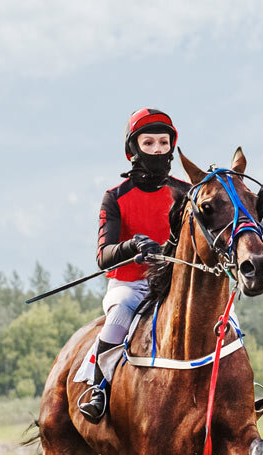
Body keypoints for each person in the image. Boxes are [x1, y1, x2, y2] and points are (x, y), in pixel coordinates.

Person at [79, 108, 189, 423]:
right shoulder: (115, 197)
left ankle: (239, 392)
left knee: (223, 317)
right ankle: (98, 388)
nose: (157, 149)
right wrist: (133, 245)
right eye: (149, 142)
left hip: (174, 285)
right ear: (133, 149)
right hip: (129, 287)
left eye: (163, 143)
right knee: (119, 315)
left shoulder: (185, 193)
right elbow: (103, 256)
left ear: (171, 147)